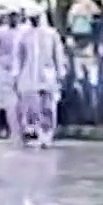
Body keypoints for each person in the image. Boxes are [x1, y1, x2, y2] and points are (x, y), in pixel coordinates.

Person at [19, 13, 67, 146]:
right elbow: (20, 56)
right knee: (33, 108)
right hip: (30, 77)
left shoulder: (51, 34)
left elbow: (58, 54)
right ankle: (37, 133)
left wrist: (60, 73)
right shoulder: (24, 35)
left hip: (48, 76)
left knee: (48, 107)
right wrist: (18, 76)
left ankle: (48, 134)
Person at [0, 12, 22, 143]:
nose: (13, 19)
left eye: (16, 16)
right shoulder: (0, 32)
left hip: (21, 70)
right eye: (11, 17)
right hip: (4, 70)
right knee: (6, 102)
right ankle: (6, 129)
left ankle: (22, 131)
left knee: (22, 103)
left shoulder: (23, 32)